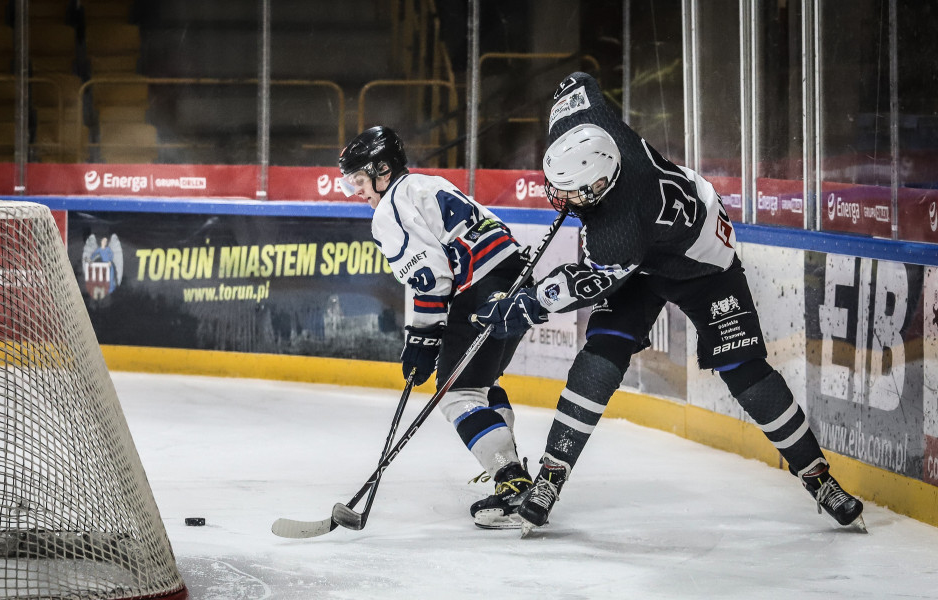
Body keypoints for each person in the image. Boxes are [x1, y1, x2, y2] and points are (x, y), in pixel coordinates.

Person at [473, 72, 865, 535]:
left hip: (700, 262)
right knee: (601, 352)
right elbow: (576, 82)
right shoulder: (586, 122)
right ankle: (552, 475)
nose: (561, 198)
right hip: (652, 243)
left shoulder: (616, 229)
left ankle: (818, 477)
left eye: (574, 194)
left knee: (745, 370)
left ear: (601, 186)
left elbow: (583, 282)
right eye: (556, 185)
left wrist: (525, 306)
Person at [339, 125, 534, 529]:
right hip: (517, 281)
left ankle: (512, 483)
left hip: (482, 289)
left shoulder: (390, 209)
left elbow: (431, 278)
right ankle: (505, 460)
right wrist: (424, 334)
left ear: (382, 170)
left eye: (359, 179)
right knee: (481, 382)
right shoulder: (428, 185)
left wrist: (421, 341)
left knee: (458, 392)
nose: (356, 190)